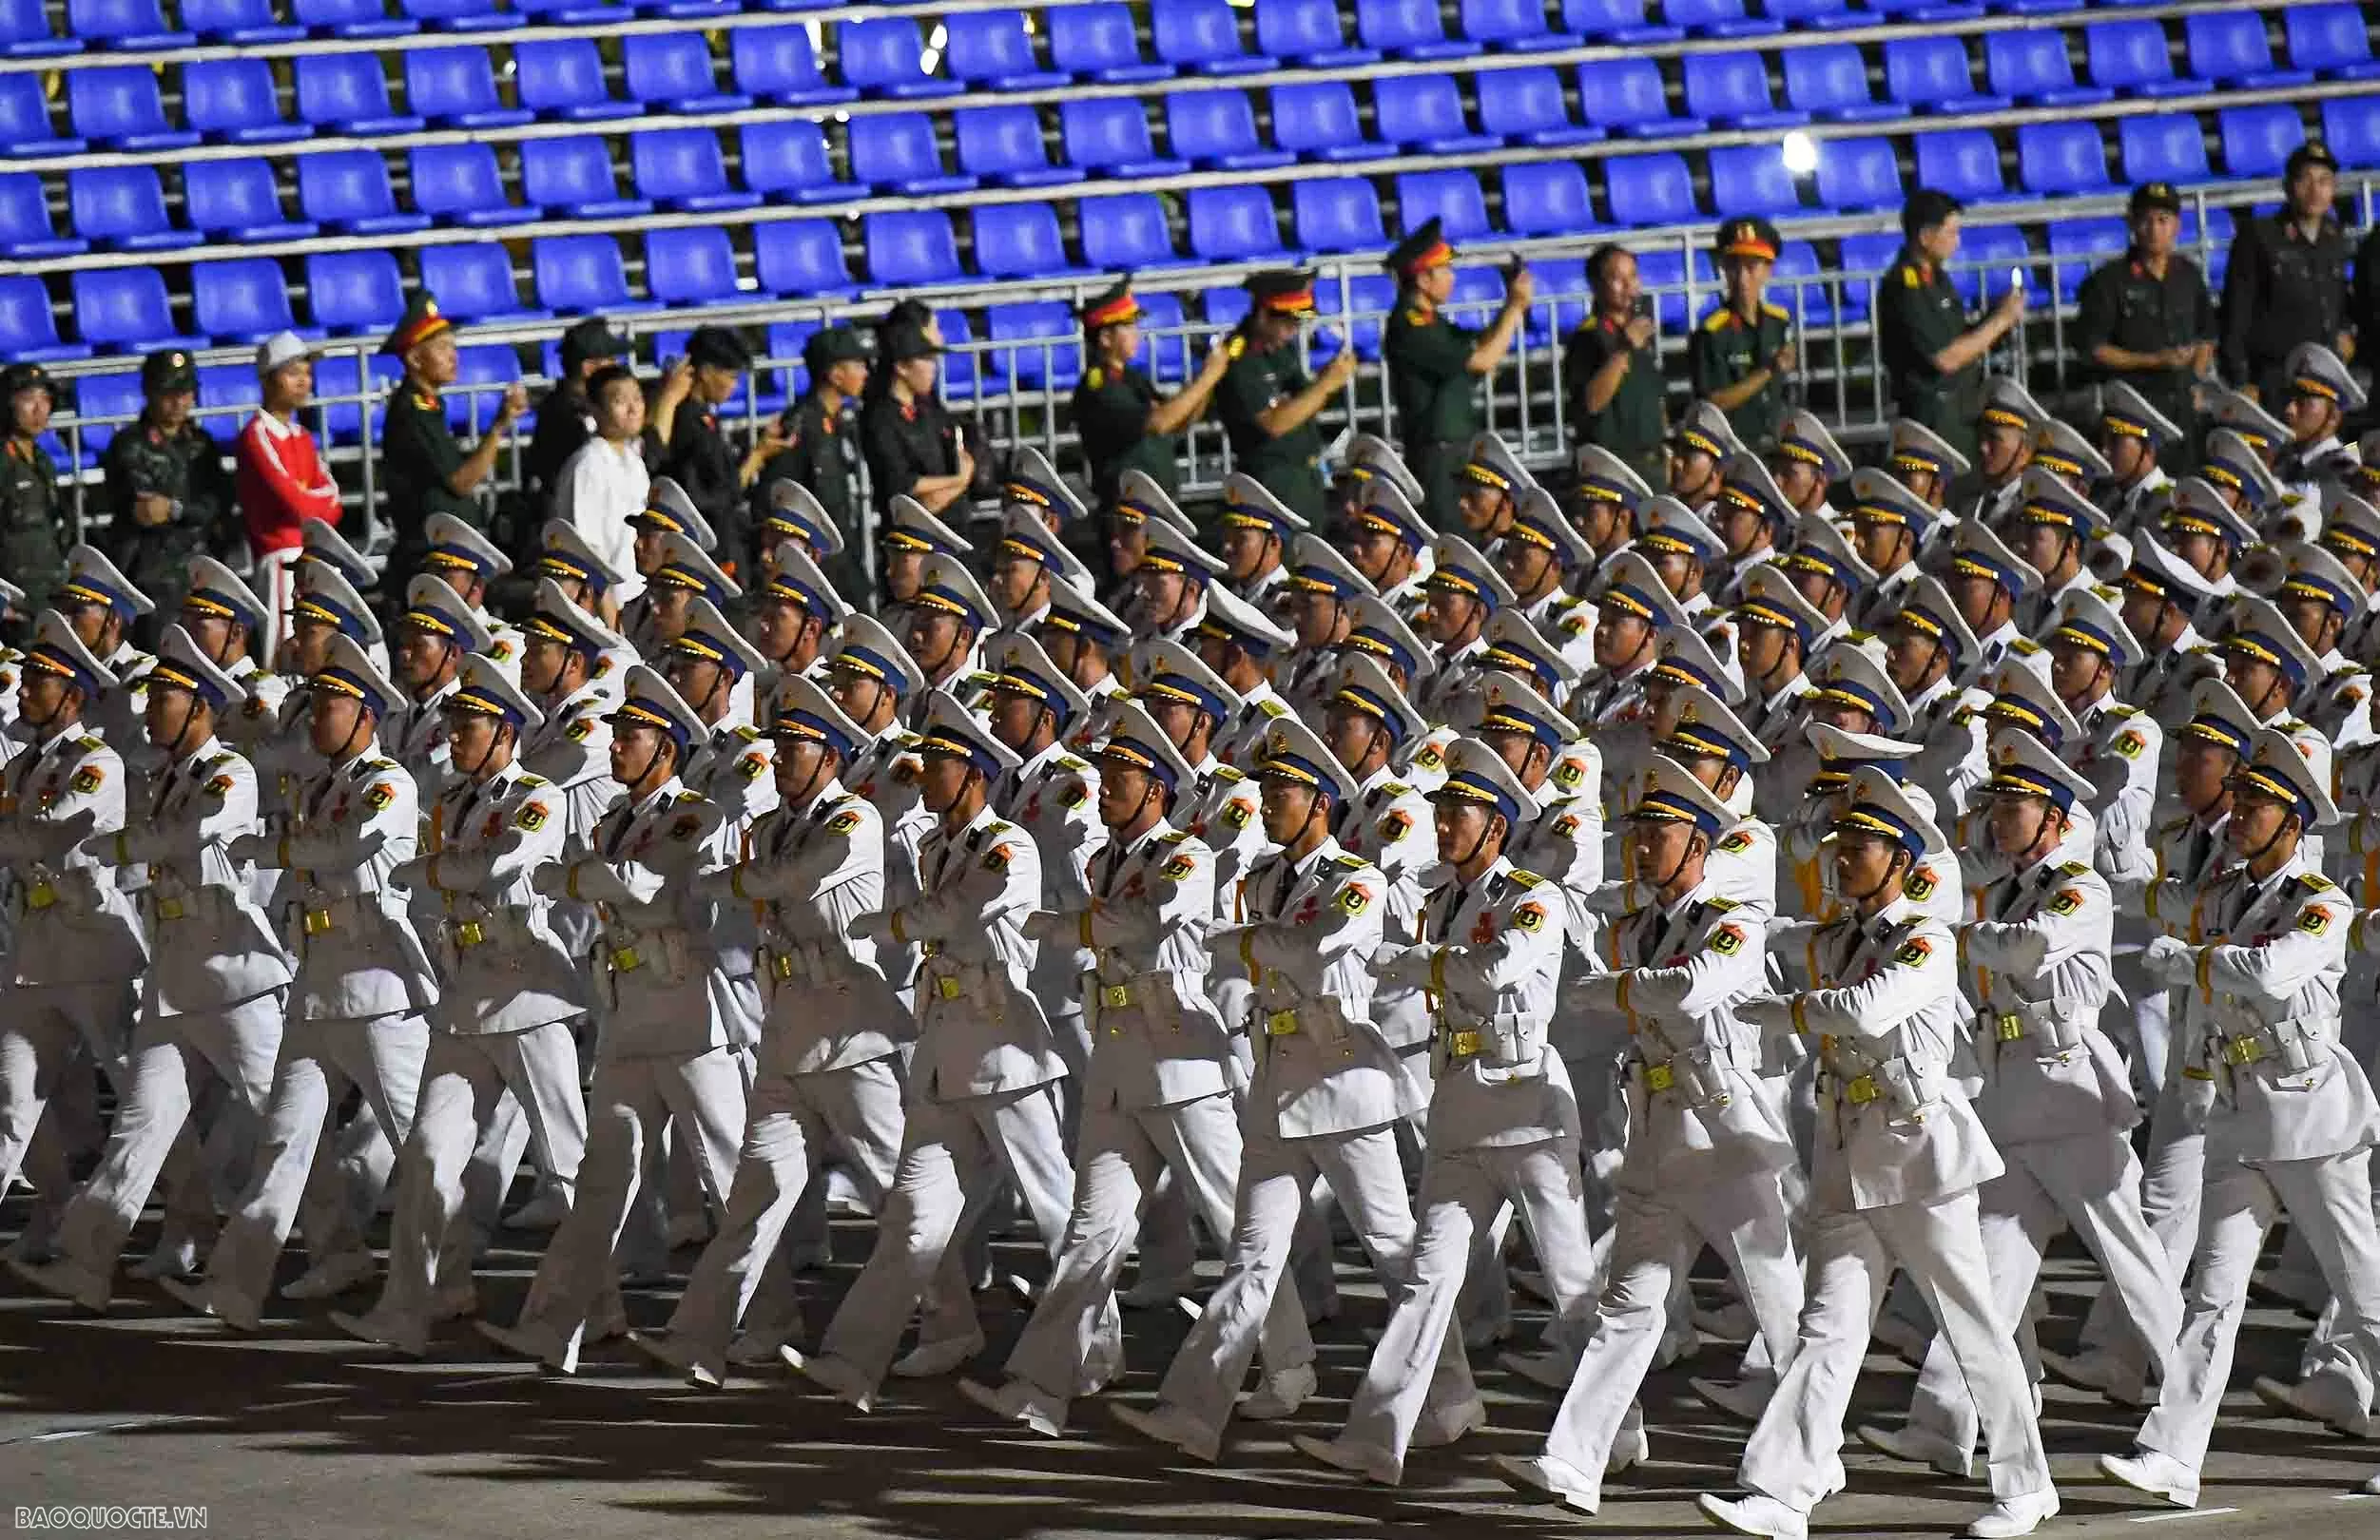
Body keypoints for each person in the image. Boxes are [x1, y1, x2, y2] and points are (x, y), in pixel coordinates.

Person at [1700, 769, 2060, 1540]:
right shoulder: (1835, 939)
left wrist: (1788, 1009)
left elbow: (1864, 1013)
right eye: (1839, 848)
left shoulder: (1924, 938)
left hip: (1920, 1158)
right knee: (1826, 1329)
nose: (1843, 860)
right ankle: (1782, 1493)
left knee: (1972, 1329)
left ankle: (2026, 1487)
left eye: (1861, 849)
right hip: (1848, 1157)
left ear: (1900, 861)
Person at [1112, 715, 1426, 1461]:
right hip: (1276, 1083)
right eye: (1266, 791)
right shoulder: (1257, 879)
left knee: (1393, 1255)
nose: (1267, 805)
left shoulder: (1356, 879)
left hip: (1345, 1086)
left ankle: (1442, 1393)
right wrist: (1255, 946)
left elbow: (1314, 957)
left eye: (1282, 793)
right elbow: (1233, 952)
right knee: (1251, 1257)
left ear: (1319, 803)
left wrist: (1250, 943)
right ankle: (1192, 1411)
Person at [1493, 758, 1801, 1514]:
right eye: (1638, 834)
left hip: (1724, 1138)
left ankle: (1803, 1463)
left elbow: (1692, 991)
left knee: (1782, 1312)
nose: (1640, 848)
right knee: (1626, 1309)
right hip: (1658, 1138)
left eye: (1658, 834)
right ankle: (1575, 1461)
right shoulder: (1639, 926)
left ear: (1698, 845)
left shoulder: (1733, 921)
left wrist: (1624, 991)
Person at [1292, 738, 1590, 1485]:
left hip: (1525, 1105)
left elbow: (1495, 973)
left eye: (1459, 812)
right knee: (1426, 1278)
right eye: (1442, 809)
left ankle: (1613, 1430)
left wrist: (1414, 963)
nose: (1445, 823)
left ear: (1495, 827)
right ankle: (1382, 1435)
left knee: (1570, 1281)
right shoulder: (1441, 901)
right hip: (1459, 1100)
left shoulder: (1532, 896)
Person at [784, 692, 1081, 1409]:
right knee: (913, 1214)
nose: (926, 778)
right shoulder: (932, 845)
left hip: (1006, 1051)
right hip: (946, 1050)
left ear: (973, 774)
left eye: (941, 766)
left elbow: (951, 913)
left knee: (1056, 1211)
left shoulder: (1007, 844)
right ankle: (856, 1360)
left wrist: (884, 924)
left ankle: (1089, 1353)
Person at [2107, 727, 2380, 1507]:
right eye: (2242, 799)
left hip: (2310, 1121)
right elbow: (2201, 983)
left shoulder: (2321, 902)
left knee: (2360, 1290)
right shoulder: (2224, 894)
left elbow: (2270, 971)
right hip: (2236, 1115)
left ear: (2292, 825)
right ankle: (2172, 1453)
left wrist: (2188, 958)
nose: (2239, 813)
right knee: (2212, 1294)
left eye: (2257, 805)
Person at [10, 626, 292, 1310]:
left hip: (234, 979)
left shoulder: (233, 772)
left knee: (280, 1117)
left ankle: (339, 1241)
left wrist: (129, 841)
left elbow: (189, 834)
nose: (150, 709)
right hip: (172, 976)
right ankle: (88, 1260)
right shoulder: (163, 778)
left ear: (199, 707)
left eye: (163, 697)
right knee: (140, 1122)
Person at [162, 635, 431, 1328]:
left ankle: (436, 1282)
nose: (318, 716)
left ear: (367, 714)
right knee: (281, 1142)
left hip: (378, 991)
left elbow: (349, 851)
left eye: (333, 705)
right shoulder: (317, 785)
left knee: (419, 1145)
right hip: (316, 989)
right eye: (315, 703)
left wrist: (278, 848)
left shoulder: (388, 784)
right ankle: (237, 1287)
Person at [1382, 219, 1532, 527]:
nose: (1452, 278)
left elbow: (1476, 347)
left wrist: (1508, 308)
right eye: (1445, 270)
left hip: (1454, 452)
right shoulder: (1410, 326)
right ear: (1423, 279)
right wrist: (1516, 308)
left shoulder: (1434, 323)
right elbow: (1481, 360)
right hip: (1437, 458)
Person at [378, 294, 527, 588]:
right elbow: (461, 481)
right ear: (415, 359)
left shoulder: (429, 406)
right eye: (442, 348)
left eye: (453, 347)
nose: (453, 356)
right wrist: (499, 427)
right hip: (431, 558)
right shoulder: (413, 412)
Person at [1879, 189, 2027, 465]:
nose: (1957, 242)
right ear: (1925, 237)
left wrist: (1992, 316)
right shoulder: (1905, 286)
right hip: (1932, 418)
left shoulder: (1937, 279)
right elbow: (1945, 358)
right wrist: (2001, 320)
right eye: (1951, 232)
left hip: (1959, 410)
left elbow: (1958, 335)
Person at [2076, 183, 2217, 455]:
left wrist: (2195, 378)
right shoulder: (2108, 281)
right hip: (2132, 406)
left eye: (2163, 221)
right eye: (2145, 220)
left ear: (2176, 225)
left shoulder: (2188, 275)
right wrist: (2154, 360)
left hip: (2183, 404)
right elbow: (2094, 349)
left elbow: (2206, 335)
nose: (2154, 230)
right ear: (2131, 224)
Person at [102, 348, 235, 635]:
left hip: (203, 568)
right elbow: (147, 511)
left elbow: (219, 500)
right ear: (150, 392)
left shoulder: (202, 443)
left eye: (186, 391)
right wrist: (192, 510)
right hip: (153, 576)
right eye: (169, 392)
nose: (179, 401)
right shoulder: (130, 444)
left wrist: (177, 510)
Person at [1072, 279, 1232, 515]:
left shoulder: (1132, 378)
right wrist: (1208, 378)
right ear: (1105, 338)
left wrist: (1207, 382)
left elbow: (1178, 421)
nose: (1137, 333)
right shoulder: (1099, 387)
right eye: (1128, 326)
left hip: (1160, 504)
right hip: (1129, 512)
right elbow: (1159, 422)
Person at [1214, 270, 1356, 527]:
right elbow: (1274, 423)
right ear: (1263, 315)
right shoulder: (1241, 359)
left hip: (1304, 477)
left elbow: (1304, 403)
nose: (1292, 332)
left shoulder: (1279, 350)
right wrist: (1325, 385)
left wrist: (1320, 387)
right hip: (1273, 483)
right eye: (1288, 323)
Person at [2220, 142, 2352, 407]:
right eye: (2306, 179)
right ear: (2287, 186)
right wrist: (2240, 380)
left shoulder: (2334, 236)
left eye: (2324, 181)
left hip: (2325, 376)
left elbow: (2338, 299)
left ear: (2334, 188)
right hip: (2274, 378)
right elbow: (2236, 312)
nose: (2315, 190)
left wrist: (2346, 332)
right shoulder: (2259, 236)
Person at [236, 333, 343, 649]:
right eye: (293, 373)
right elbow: (297, 505)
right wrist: (309, 497)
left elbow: (335, 502)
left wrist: (307, 498)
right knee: (283, 651)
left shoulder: (302, 436)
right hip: (280, 558)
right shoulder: (257, 434)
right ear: (269, 380)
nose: (304, 381)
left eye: (307, 373)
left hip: (310, 555)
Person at [754, 326, 870, 598]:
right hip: (814, 565)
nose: (865, 373)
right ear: (835, 374)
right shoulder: (800, 426)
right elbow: (775, 496)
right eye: (858, 365)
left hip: (841, 558)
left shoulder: (838, 420)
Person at [649, 323, 769, 578]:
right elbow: (709, 495)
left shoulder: (704, 417)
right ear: (705, 372)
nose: (734, 386)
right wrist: (757, 457)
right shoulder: (687, 422)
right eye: (730, 377)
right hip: (708, 549)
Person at [1561, 244, 1668, 487]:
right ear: (1596, 285)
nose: (1629, 286)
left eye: (1632, 276)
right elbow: (1592, 402)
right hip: (1610, 467)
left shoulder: (1642, 332)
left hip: (1651, 464)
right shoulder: (1586, 338)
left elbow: (1655, 397)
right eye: (1617, 278)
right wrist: (1622, 350)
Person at [1691, 218, 1796, 454]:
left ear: (1768, 270)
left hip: (1775, 443)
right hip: (1731, 449)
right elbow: (1713, 402)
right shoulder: (1712, 332)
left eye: (1751, 267)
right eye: (1733, 267)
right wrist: (1767, 372)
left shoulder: (1778, 322)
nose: (1741, 277)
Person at [552, 363, 649, 600]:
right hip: (603, 604)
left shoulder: (634, 460)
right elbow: (587, 551)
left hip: (635, 597)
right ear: (595, 410)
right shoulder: (588, 464)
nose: (633, 408)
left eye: (638, 398)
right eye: (620, 401)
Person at [861, 318, 974, 521]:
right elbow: (901, 483)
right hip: (912, 534)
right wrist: (957, 480)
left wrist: (953, 486)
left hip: (953, 521)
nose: (934, 368)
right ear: (902, 367)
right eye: (927, 359)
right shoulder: (880, 418)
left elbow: (961, 454)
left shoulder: (928, 406)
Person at [523, 317, 628, 514]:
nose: (617, 369)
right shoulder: (565, 412)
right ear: (589, 368)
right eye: (611, 361)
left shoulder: (569, 404)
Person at [1, 362, 68, 621]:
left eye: (45, 398)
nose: (39, 409)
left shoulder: (42, 460)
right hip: (13, 606)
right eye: (28, 399)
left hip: (49, 600)